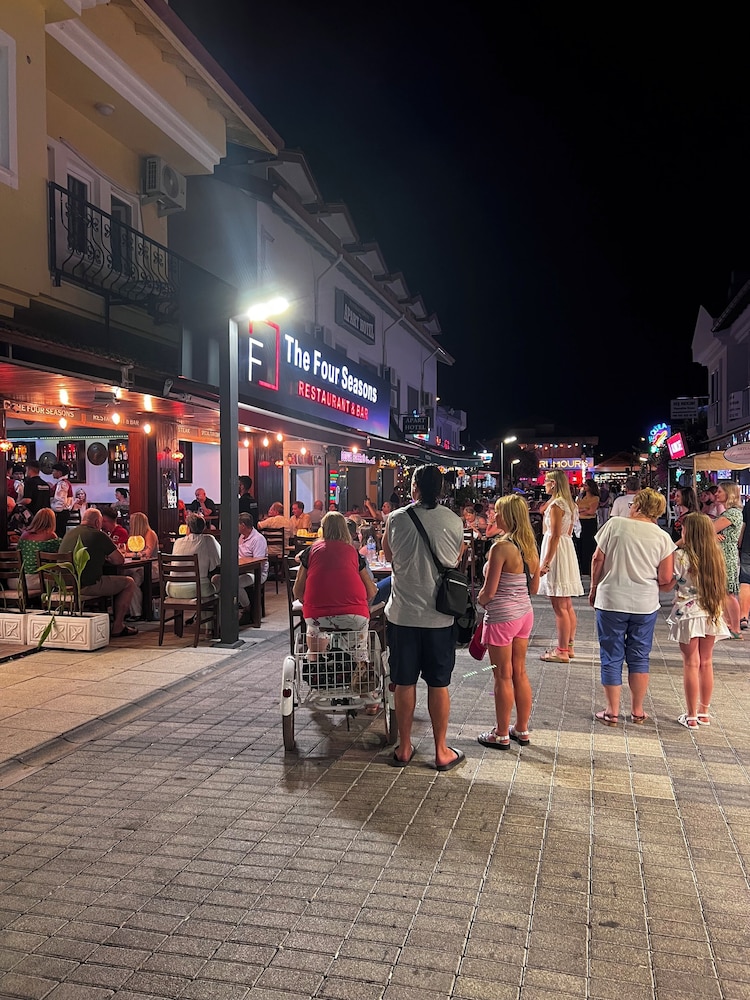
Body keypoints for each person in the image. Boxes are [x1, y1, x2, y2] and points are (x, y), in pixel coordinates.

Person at [383, 464, 465, 770]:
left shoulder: (396, 518)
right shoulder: (454, 520)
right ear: (441, 489)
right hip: (439, 617)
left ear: (414, 487)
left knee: (404, 682)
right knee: (438, 684)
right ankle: (441, 751)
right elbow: (454, 559)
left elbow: (388, 555)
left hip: (402, 615)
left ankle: (404, 748)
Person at [589, 488, 676, 726]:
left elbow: (597, 558)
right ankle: (637, 710)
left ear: (636, 505)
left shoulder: (614, 525)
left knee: (611, 654)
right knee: (639, 656)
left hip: (611, 599)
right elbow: (665, 578)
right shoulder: (663, 537)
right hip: (645, 603)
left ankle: (612, 711)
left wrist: (594, 588)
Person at [476, 494, 541, 750]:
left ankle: (501, 733)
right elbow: (534, 588)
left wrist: (478, 600)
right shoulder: (529, 547)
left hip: (502, 616)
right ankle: (521, 729)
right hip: (524, 614)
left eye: (498, 511)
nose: (494, 515)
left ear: (509, 516)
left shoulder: (501, 548)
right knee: (520, 672)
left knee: (502, 675)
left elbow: (489, 592)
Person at [293, 511, 377, 701]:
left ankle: (316, 674)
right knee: (360, 650)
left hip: (317, 616)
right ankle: (366, 691)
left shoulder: (309, 552)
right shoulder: (354, 553)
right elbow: (371, 591)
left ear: (323, 529)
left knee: (314, 643)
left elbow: (297, 591)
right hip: (354, 615)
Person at [666, 512, 729, 729]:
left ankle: (691, 715)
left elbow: (668, 580)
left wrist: (677, 543)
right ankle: (704, 712)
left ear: (689, 532)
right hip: (711, 611)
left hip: (688, 613)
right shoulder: (716, 555)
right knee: (706, 662)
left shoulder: (680, 556)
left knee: (691, 663)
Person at [59, 508, 138, 638]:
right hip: (87, 586)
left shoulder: (70, 533)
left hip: (65, 585)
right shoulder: (98, 535)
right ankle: (118, 626)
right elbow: (119, 560)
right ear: (97, 522)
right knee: (128, 582)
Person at [538, 470, 584, 663]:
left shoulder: (557, 504)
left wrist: (546, 562)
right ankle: (568, 646)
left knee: (559, 606)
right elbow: (567, 532)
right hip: (566, 549)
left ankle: (562, 650)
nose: (544, 484)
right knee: (566, 604)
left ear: (554, 483)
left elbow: (554, 534)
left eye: (547, 481)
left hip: (556, 551)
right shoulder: (570, 504)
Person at [711, 481, 743, 637]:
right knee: (723, 592)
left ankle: (735, 628)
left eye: (719, 491)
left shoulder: (733, 513)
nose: (716, 494)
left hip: (726, 556)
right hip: (721, 554)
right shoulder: (727, 512)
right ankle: (728, 625)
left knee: (728, 592)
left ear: (728, 493)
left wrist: (712, 533)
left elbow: (708, 528)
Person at [169, 513, 221, 598]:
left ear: (188, 528)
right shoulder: (208, 539)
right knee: (218, 579)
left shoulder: (177, 542)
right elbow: (219, 561)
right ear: (203, 527)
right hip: (198, 589)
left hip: (172, 589)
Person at [14, 509, 60, 600]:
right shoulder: (50, 536)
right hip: (35, 582)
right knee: (58, 578)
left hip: (15, 580)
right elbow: (59, 555)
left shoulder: (24, 535)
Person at [123, 511, 159, 620]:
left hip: (152, 568)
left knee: (133, 580)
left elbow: (147, 554)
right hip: (138, 567)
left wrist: (130, 554)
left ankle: (137, 613)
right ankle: (127, 610)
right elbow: (126, 551)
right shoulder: (133, 537)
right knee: (126, 577)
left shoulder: (150, 534)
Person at [236, 513, 268, 627]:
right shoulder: (241, 537)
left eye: (237, 524)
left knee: (235, 583)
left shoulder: (258, 539)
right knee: (222, 580)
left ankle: (247, 610)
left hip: (256, 573)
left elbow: (258, 562)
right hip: (242, 571)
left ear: (243, 525)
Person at [575, 478, 600, 576]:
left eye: (586, 485)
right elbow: (576, 509)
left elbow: (591, 511)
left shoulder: (595, 498)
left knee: (588, 545)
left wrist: (582, 510)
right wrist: (584, 509)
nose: (584, 487)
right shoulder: (581, 498)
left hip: (589, 523)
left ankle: (587, 568)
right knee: (580, 544)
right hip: (580, 522)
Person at [50, 462, 73, 536]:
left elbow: (60, 501)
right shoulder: (64, 482)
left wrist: (51, 509)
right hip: (63, 512)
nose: (52, 473)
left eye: (54, 471)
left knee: (59, 534)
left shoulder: (62, 484)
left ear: (59, 473)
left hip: (61, 513)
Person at [738, 494, 750, 631]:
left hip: (748, 546)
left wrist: (739, 545)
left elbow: (743, 525)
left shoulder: (749, 504)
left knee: (746, 581)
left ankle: (743, 617)